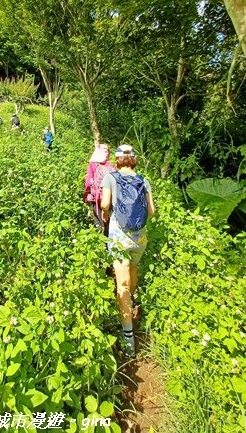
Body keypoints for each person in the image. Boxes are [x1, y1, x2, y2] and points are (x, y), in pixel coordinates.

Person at [101, 144, 155, 357]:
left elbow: (105, 204)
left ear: (117, 160)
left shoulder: (111, 178)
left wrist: (109, 209)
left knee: (121, 284)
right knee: (133, 268)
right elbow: (151, 211)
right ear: (133, 160)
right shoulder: (143, 180)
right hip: (140, 238)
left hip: (119, 238)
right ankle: (134, 300)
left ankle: (129, 341)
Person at [84, 143, 116, 235]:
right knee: (109, 220)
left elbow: (88, 183)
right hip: (110, 197)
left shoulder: (93, 164)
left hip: (97, 197)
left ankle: (100, 242)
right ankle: (109, 241)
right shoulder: (112, 164)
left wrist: (86, 196)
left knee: (98, 220)